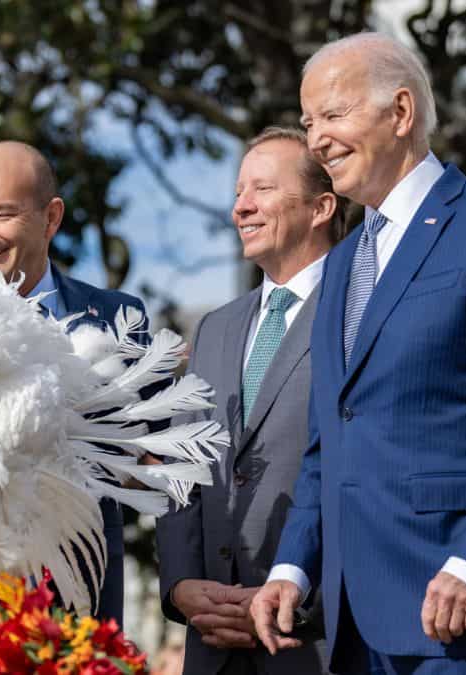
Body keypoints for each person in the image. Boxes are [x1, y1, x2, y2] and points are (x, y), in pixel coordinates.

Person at [250, 32, 466, 675]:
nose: (315, 138)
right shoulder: (341, 263)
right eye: (308, 121)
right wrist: (293, 565)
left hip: (463, 610)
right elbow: (329, 441)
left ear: (400, 113)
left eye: (333, 115)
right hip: (353, 621)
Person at [156, 127, 344, 675]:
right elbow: (182, 467)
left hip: (315, 642)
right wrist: (182, 584)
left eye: (262, 189)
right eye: (239, 192)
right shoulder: (214, 327)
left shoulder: (360, 310)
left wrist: (306, 599)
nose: (241, 206)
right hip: (212, 642)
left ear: (321, 207)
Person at [0, 140, 152, 627]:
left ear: (51, 218)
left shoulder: (118, 320)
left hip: (76, 605)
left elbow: (150, 468)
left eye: (1, 214)